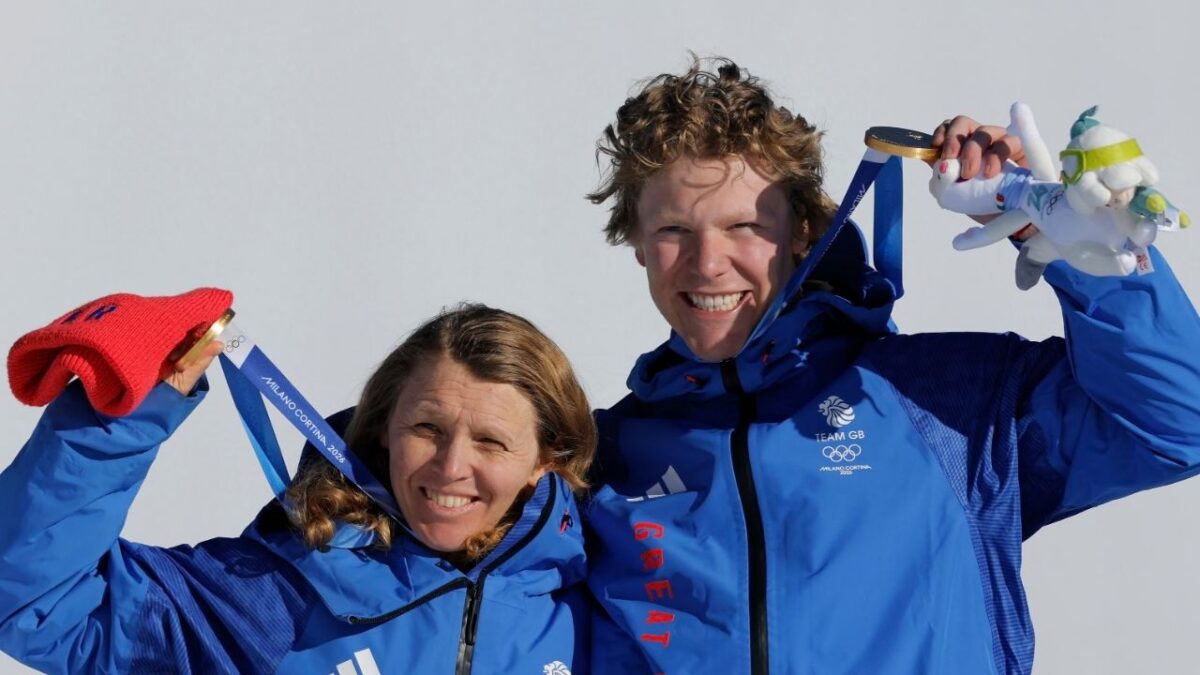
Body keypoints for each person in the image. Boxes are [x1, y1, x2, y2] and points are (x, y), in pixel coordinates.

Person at [583, 57, 1200, 674]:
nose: (708, 262)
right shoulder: (601, 457)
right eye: (672, 230)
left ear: (802, 231)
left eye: (743, 226)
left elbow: (1176, 424)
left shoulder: (947, 400)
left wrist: (1081, 252)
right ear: (636, 243)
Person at [0, 303, 595, 674]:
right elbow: (42, 609)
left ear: (546, 460)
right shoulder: (278, 594)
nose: (450, 466)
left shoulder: (593, 607)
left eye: (491, 442)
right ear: (385, 427)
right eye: (427, 428)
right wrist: (116, 421)